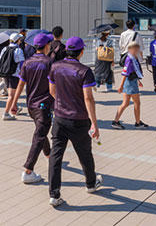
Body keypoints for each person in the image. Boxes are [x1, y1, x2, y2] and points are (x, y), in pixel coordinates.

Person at [47, 36, 102, 207]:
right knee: (85, 154)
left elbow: (52, 91)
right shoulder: (85, 71)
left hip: (60, 118)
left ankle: (54, 195)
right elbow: (88, 98)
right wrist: (94, 123)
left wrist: (63, 104)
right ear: (82, 52)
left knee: (56, 156)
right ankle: (91, 184)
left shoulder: (55, 66)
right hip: (79, 119)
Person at [16, 32, 55, 184]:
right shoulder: (49, 63)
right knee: (39, 135)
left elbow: (20, 84)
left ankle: (49, 155)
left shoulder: (27, 62)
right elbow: (53, 88)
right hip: (44, 105)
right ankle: (28, 170)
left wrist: (13, 103)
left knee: (41, 131)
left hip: (30, 105)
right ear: (46, 46)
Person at [111, 42, 148, 129]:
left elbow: (134, 71)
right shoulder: (129, 59)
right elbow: (125, 73)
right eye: (137, 49)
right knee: (136, 103)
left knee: (126, 103)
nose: (139, 50)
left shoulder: (133, 58)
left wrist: (138, 81)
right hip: (130, 83)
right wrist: (121, 86)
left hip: (132, 81)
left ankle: (115, 121)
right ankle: (138, 122)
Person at [0, 32, 25, 120]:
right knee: (11, 95)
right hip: (14, 75)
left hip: (5, 74)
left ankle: (14, 108)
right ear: (17, 40)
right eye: (19, 39)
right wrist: (24, 74)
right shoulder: (18, 50)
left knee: (13, 94)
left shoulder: (4, 49)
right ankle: (6, 113)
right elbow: (22, 64)